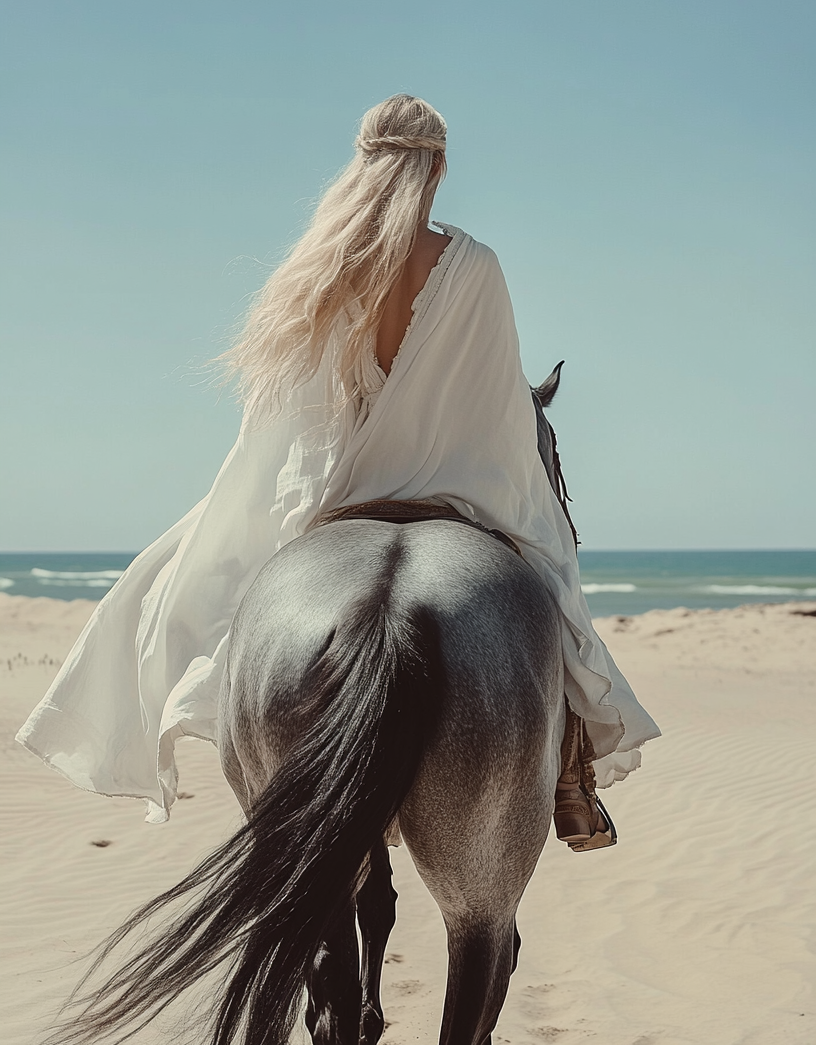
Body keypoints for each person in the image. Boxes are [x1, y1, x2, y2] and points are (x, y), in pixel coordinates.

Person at [17, 94, 659, 848]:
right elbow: (498, 420)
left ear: (361, 160)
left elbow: (287, 417)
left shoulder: (318, 269)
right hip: (456, 490)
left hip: (338, 491)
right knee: (551, 586)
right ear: (439, 168)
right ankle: (571, 778)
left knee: (199, 587)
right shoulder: (474, 265)